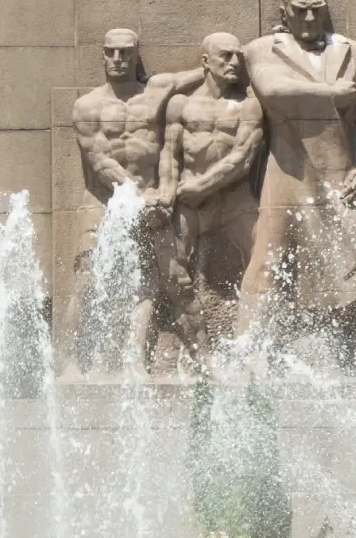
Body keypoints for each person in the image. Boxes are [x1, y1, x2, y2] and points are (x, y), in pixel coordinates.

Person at [237, 0, 356, 374]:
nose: (309, 16)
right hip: (288, 173)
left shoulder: (355, 53)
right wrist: (332, 93)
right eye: (300, 9)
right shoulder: (261, 49)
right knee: (267, 261)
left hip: (344, 171)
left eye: (316, 7)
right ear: (283, 12)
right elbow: (271, 91)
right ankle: (248, 354)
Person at [64, 29, 201, 373]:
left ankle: (135, 359)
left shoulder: (155, 93)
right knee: (86, 280)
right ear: (102, 56)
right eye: (110, 52)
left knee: (147, 281)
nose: (118, 59)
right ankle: (67, 360)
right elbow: (99, 161)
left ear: (136, 55)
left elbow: (207, 69)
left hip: (149, 200)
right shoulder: (87, 106)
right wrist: (139, 197)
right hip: (102, 201)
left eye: (125, 53)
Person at [163, 32, 264, 358]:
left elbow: (244, 158)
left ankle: (251, 350)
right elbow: (169, 155)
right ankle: (204, 355)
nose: (235, 62)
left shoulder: (250, 106)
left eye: (238, 56)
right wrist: (167, 194)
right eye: (226, 55)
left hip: (235, 200)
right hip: (189, 202)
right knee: (172, 272)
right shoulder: (181, 105)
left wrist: (202, 186)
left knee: (268, 259)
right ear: (205, 61)